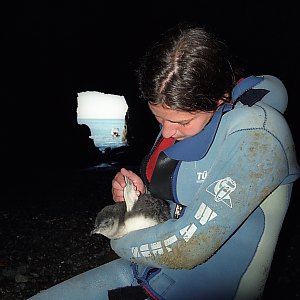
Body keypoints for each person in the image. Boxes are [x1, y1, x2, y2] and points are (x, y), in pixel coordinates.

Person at [29, 24, 300, 300]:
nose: (168, 132)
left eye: (181, 122)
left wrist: (119, 238)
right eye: (159, 120)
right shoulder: (187, 119)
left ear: (219, 97)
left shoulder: (259, 136)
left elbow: (188, 246)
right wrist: (139, 198)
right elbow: (177, 204)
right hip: (148, 273)